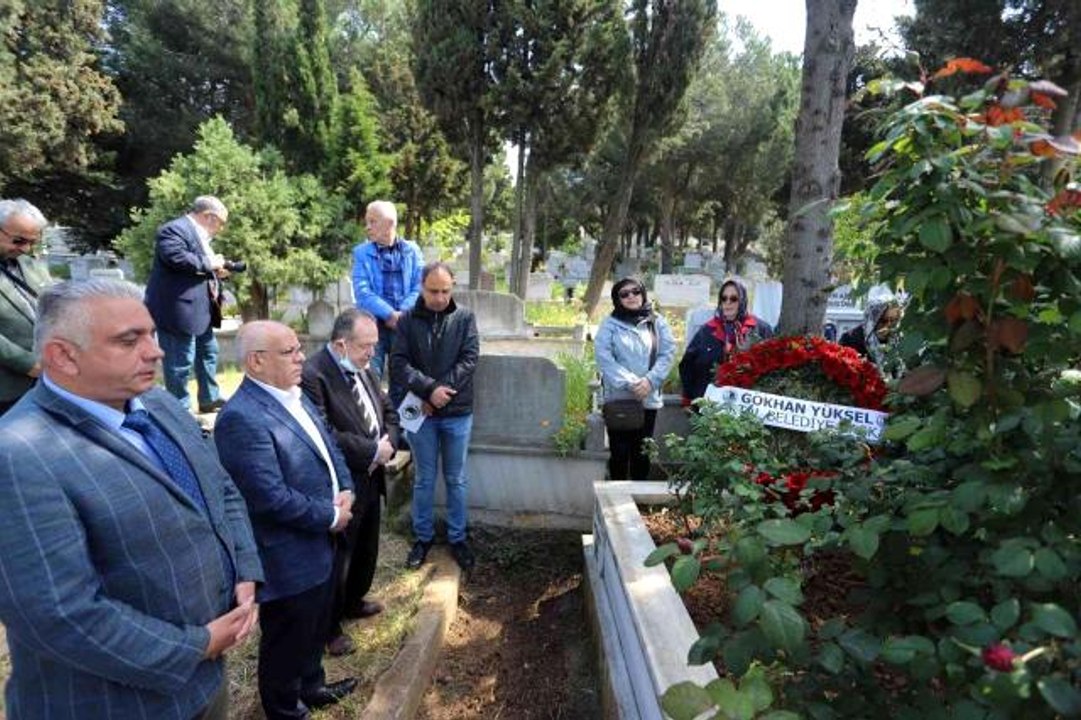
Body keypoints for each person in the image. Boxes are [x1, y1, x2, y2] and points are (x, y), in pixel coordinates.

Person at [0, 279, 263, 720]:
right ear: (63, 356)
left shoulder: (157, 404)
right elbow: (61, 615)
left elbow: (221, 489)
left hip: (203, 685)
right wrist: (196, 646)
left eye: (152, 334)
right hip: (112, 704)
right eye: (129, 340)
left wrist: (245, 568)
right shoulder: (19, 454)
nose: (156, 352)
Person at [214, 321, 358, 719]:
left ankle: (312, 686)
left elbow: (330, 447)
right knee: (287, 638)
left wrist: (345, 487)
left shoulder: (294, 395)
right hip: (288, 552)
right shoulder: (241, 418)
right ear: (256, 361)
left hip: (322, 540)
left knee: (314, 626)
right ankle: (283, 709)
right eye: (290, 351)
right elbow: (268, 497)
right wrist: (331, 515)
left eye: (299, 349)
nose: (301, 358)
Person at [302, 308, 400, 657]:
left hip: (372, 475)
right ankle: (329, 627)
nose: (372, 353)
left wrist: (388, 442)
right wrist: (372, 450)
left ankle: (353, 600)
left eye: (374, 346)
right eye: (365, 346)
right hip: (343, 481)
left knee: (365, 546)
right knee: (339, 556)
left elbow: (388, 409)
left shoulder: (364, 368)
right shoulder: (314, 375)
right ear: (341, 345)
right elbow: (324, 432)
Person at [389, 262, 479, 571]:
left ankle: (458, 538)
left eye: (445, 291)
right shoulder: (407, 321)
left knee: (456, 478)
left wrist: (440, 394)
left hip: (456, 411)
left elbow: (469, 360)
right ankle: (422, 538)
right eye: (433, 291)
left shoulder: (465, 318)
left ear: (453, 287)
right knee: (425, 478)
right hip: (421, 411)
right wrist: (428, 392)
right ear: (421, 287)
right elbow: (399, 363)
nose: (439, 298)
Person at [144, 195, 232, 413]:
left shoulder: (200, 236)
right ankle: (180, 409)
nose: (220, 229)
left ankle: (209, 398)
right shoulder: (173, 229)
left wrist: (217, 272)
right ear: (209, 216)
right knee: (179, 361)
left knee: (208, 353)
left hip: (201, 307)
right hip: (177, 308)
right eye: (221, 223)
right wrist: (209, 262)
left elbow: (195, 268)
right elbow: (175, 257)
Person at [594, 277, 676, 480]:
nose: (631, 296)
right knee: (619, 454)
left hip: (647, 399)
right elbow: (604, 358)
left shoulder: (657, 322)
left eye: (636, 291)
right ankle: (615, 501)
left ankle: (639, 498)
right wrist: (632, 382)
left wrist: (650, 381)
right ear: (617, 299)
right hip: (620, 400)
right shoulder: (610, 325)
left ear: (643, 294)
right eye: (624, 294)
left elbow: (668, 353)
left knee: (642, 453)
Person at [351, 200, 424, 379]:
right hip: (373, 325)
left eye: (373, 222)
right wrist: (389, 314)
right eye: (366, 222)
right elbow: (362, 291)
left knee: (404, 380)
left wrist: (402, 313)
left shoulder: (412, 250)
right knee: (370, 379)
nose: (367, 227)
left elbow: (420, 284)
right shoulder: (361, 253)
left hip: (405, 325)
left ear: (390, 223)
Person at [679, 279, 774, 405]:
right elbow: (687, 365)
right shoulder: (706, 331)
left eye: (733, 298)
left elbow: (771, 366)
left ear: (742, 301)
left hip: (748, 407)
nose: (728, 303)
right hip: (708, 406)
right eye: (724, 298)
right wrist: (688, 398)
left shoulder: (761, 329)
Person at [0, 199, 51, 415]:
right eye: (19, 241)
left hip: (44, 381)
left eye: (32, 242)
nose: (26, 249)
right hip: (6, 386)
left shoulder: (28, 262)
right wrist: (28, 364)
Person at [840, 297, 903, 367]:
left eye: (893, 321)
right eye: (883, 321)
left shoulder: (898, 339)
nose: (888, 325)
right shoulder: (851, 338)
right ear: (873, 320)